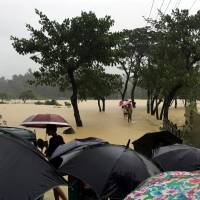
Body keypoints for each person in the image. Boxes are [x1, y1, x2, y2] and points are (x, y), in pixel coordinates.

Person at [45, 124, 67, 200]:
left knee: (53, 184)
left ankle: (64, 199)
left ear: (51, 130)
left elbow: (48, 153)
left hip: (54, 165)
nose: (46, 131)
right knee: (54, 183)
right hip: (60, 163)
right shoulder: (60, 138)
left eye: (47, 129)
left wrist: (46, 147)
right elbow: (62, 148)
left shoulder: (52, 140)